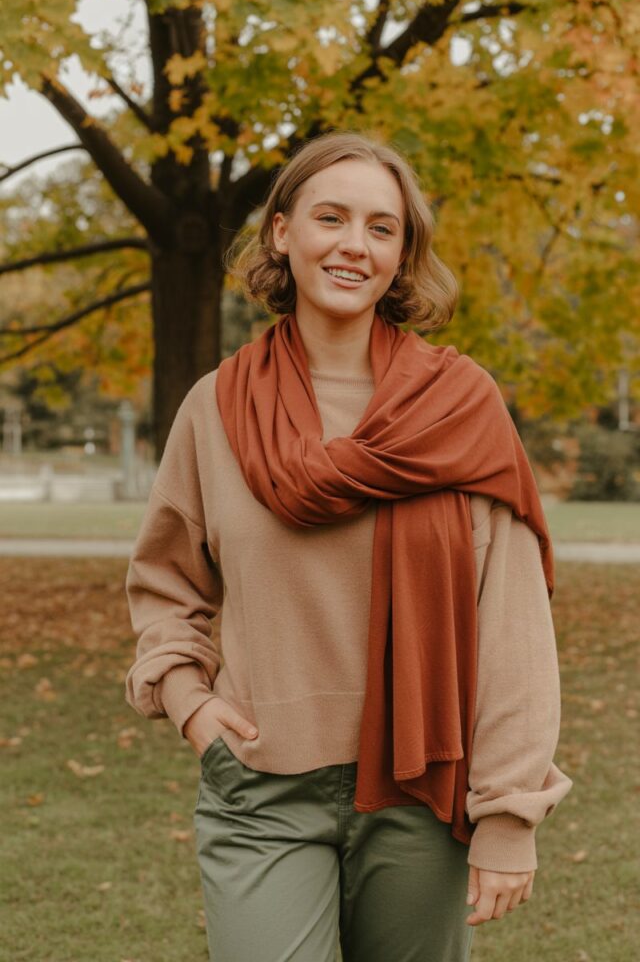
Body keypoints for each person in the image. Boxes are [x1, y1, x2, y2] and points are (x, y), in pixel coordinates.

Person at [124, 130, 573, 962]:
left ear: (401, 256)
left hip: (421, 792)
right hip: (260, 788)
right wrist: (190, 702)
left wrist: (509, 812)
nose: (353, 246)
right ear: (282, 233)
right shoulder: (215, 409)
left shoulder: (459, 407)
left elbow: (510, 622)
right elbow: (166, 584)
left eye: (381, 228)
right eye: (331, 218)